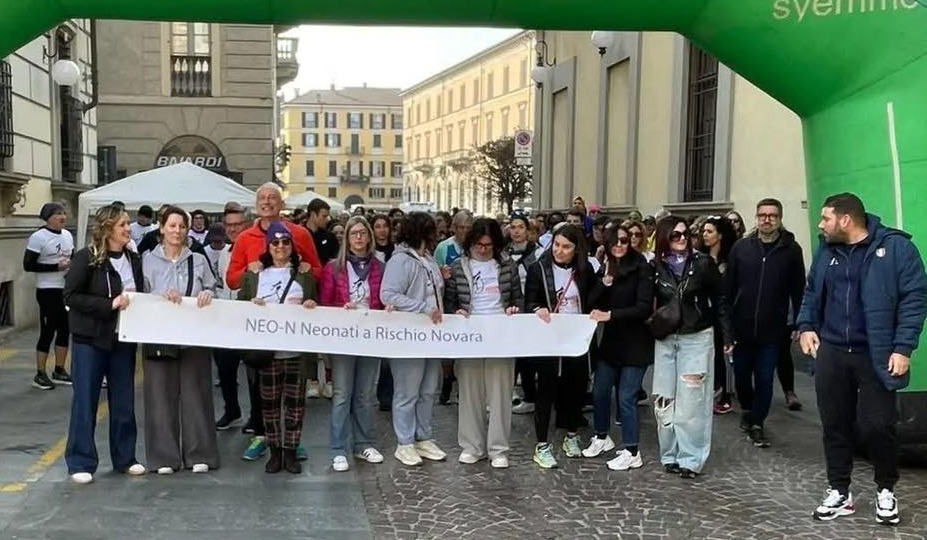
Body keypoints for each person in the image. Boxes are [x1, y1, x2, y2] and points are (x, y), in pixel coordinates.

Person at [797, 193, 927, 524]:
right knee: (834, 425)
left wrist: (903, 347)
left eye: (826, 218)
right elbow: (811, 292)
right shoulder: (826, 251)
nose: (820, 225)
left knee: (877, 426)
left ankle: (886, 489)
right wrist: (806, 326)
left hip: (876, 353)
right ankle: (840, 491)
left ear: (845, 220)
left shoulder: (897, 249)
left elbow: (915, 299)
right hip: (832, 352)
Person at [63, 204, 146, 484]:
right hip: (90, 340)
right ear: (108, 228)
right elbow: (70, 296)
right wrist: (109, 304)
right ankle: (80, 461)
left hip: (123, 339)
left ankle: (125, 458)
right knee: (85, 400)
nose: (128, 229)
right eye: (123, 224)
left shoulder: (134, 259)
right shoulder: (86, 258)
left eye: (128, 224)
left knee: (124, 400)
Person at [651, 216, 732, 479]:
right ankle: (669, 454)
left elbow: (721, 299)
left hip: (696, 336)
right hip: (666, 338)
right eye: (675, 235)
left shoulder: (703, 263)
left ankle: (690, 458)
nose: (682, 239)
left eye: (685, 234)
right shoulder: (655, 266)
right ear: (664, 237)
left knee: (692, 401)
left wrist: (727, 335)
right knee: (664, 400)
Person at [142, 206, 219, 475]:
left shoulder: (197, 259)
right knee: (159, 395)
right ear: (161, 228)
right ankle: (163, 456)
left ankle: (200, 453)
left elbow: (212, 286)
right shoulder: (146, 260)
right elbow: (139, 295)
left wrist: (208, 294)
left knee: (196, 393)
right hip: (158, 335)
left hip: (194, 335)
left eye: (182, 226)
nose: (177, 231)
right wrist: (160, 298)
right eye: (172, 225)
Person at [238, 221, 317, 474]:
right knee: (269, 405)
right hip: (267, 351)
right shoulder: (255, 275)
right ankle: (274, 452)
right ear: (268, 245)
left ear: (291, 245)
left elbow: (316, 305)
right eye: (275, 242)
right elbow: (240, 308)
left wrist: (310, 304)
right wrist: (252, 305)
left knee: (295, 405)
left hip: (296, 351)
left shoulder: (304, 274)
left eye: (285, 242)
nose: (280, 246)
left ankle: (291, 451)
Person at [443, 218, 523, 469]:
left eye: (489, 245)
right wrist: (456, 311)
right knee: (469, 393)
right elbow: (449, 300)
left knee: (501, 394)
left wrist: (514, 308)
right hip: (470, 336)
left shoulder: (508, 265)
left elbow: (518, 298)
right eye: (479, 245)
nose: (484, 249)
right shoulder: (458, 266)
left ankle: (498, 449)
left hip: (501, 334)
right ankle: (472, 446)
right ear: (471, 243)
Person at [726, 199, 806, 447]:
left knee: (764, 379)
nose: (767, 220)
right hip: (742, 326)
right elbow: (728, 289)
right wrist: (727, 326)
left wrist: (800, 323)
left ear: (780, 219)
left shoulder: (791, 250)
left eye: (772, 215)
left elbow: (799, 289)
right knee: (741, 376)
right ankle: (747, 409)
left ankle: (757, 422)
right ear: (756, 218)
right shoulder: (741, 248)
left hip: (773, 329)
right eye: (762, 215)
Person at [524, 224, 596, 469]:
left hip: (576, 338)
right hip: (549, 338)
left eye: (566, 247)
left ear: (576, 249)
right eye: (556, 245)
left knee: (575, 388)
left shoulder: (584, 270)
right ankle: (542, 445)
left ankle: (571, 435)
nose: (559, 251)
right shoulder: (538, 269)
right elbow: (529, 300)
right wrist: (537, 308)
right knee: (546, 391)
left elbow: (592, 298)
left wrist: (605, 284)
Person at [583, 224, 654, 471]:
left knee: (626, 397)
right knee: (600, 392)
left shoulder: (643, 268)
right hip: (612, 343)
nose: (620, 245)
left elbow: (643, 307)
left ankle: (632, 450)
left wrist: (611, 315)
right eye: (615, 241)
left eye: (625, 240)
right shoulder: (607, 267)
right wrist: (605, 282)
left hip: (636, 343)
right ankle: (602, 436)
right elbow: (591, 303)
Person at [379, 212, 448, 466]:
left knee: (428, 389)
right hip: (409, 334)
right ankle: (404, 441)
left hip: (432, 333)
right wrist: (421, 307)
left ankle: (423, 436)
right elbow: (388, 294)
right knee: (407, 391)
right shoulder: (400, 261)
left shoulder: (427, 259)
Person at [320, 216, 388, 472]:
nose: (358, 237)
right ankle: (338, 448)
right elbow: (325, 303)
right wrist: (341, 308)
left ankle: (363, 443)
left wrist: (387, 308)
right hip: (344, 338)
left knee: (364, 394)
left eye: (362, 233)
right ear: (347, 239)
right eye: (353, 233)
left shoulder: (380, 267)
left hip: (370, 337)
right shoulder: (333, 268)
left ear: (369, 237)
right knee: (342, 394)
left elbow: (383, 299)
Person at [23, 202, 74, 390]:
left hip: (65, 288)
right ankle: (40, 374)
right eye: (58, 214)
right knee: (48, 330)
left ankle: (59, 369)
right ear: (48, 218)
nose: (63, 217)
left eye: (64, 213)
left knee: (65, 329)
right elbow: (28, 265)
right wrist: (55, 267)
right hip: (47, 289)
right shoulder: (38, 237)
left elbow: (72, 257)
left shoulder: (67, 235)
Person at [698, 215, 738, 416]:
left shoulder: (730, 260)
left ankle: (725, 395)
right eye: (703, 231)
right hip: (704, 313)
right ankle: (713, 390)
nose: (705, 235)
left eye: (709, 231)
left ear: (720, 235)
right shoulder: (699, 258)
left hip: (725, 313)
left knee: (723, 354)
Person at [214, 203, 249, 432]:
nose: (233, 229)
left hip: (248, 316)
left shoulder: (255, 249)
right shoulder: (223, 254)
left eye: (237, 224)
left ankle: (257, 418)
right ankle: (232, 410)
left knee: (253, 370)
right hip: (226, 317)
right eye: (228, 225)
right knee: (225, 367)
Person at [505, 212, 542, 415]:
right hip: (511, 308)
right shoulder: (503, 253)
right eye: (513, 227)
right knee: (510, 353)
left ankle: (531, 396)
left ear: (527, 231)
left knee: (527, 356)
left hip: (531, 309)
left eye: (521, 227)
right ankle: (507, 393)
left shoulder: (538, 253)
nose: (517, 231)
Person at [306, 198, 339, 265]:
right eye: (324, 216)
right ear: (313, 215)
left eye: (327, 216)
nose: (327, 220)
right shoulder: (298, 234)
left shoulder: (330, 237)